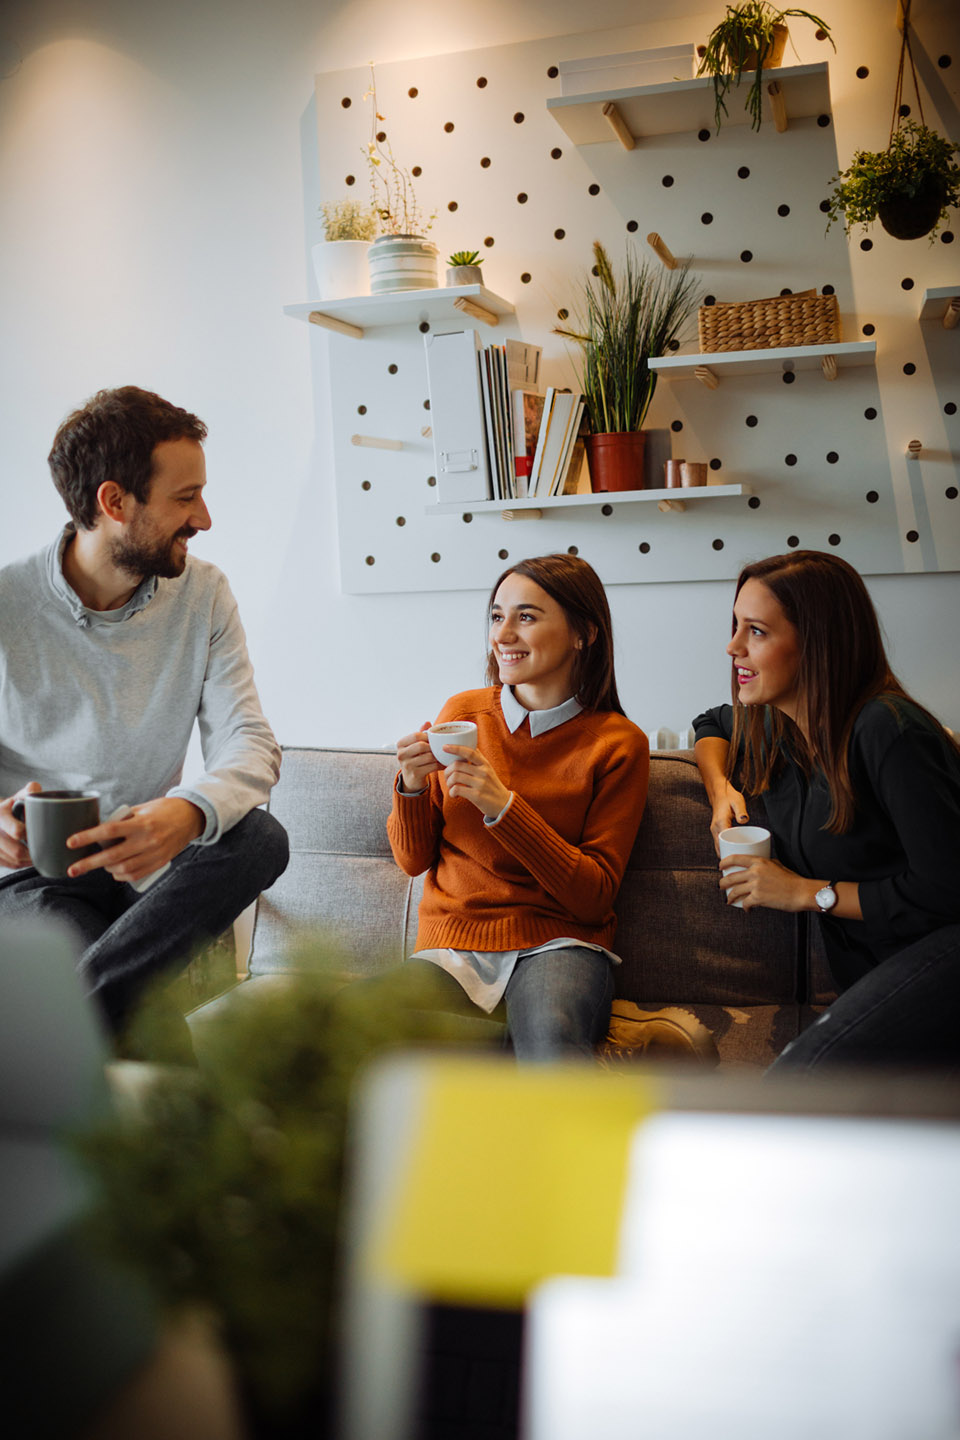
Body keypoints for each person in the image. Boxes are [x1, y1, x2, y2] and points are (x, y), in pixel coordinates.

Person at [0, 386, 289, 1044]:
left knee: (262, 841)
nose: (205, 518)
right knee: (139, 1020)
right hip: (35, 880)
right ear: (114, 502)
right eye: (185, 497)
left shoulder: (205, 595)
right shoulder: (5, 606)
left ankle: (46, 1039)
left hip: (149, 874)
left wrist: (186, 813)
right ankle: (88, 1033)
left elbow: (248, 742)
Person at [692, 549, 960, 1073]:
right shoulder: (779, 730)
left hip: (942, 960)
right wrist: (721, 788)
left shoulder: (889, 730)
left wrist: (805, 892)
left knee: (795, 1081)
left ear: (817, 644)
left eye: (757, 631)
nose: (732, 646)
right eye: (736, 626)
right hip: (876, 976)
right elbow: (711, 724)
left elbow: (948, 890)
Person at [386, 553, 650, 1061]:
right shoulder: (462, 715)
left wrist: (503, 806)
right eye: (496, 615)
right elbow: (413, 860)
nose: (502, 634)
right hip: (453, 946)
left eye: (526, 617)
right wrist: (412, 786)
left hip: (560, 944)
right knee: (346, 1023)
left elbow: (594, 896)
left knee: (551, 1034)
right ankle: (601, 1045)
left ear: (583, 633)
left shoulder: (618, 744)